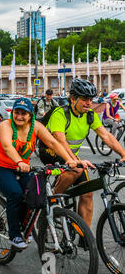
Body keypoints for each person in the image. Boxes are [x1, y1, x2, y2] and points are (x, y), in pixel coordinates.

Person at [0, 97, 79, 249]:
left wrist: (69, 160)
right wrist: (20, 162)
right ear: (13, 113)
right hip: (0, 167)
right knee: (15, 194)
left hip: (23, 167)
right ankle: (15, 235)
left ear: (30, 115)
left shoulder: (36, 127)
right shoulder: (6, 125)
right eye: (17, 112)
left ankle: (25, 225)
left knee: (34, 194)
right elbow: (7, 146)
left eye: (24, 113)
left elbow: (53, 143)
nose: (19, 116)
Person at [39, 78, 125, 228]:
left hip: (70, 154)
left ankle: (83, 234)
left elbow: (106, 136)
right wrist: (75, 161)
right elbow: (60, 141)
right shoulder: (60, 113)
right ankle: (52, 199)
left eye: (91, 99)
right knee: (76, 169)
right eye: (85, 99)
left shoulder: (89, 115)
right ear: (73, 99)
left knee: (87, 192)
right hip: (51, 151)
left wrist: (123, 154)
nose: (89, 103)